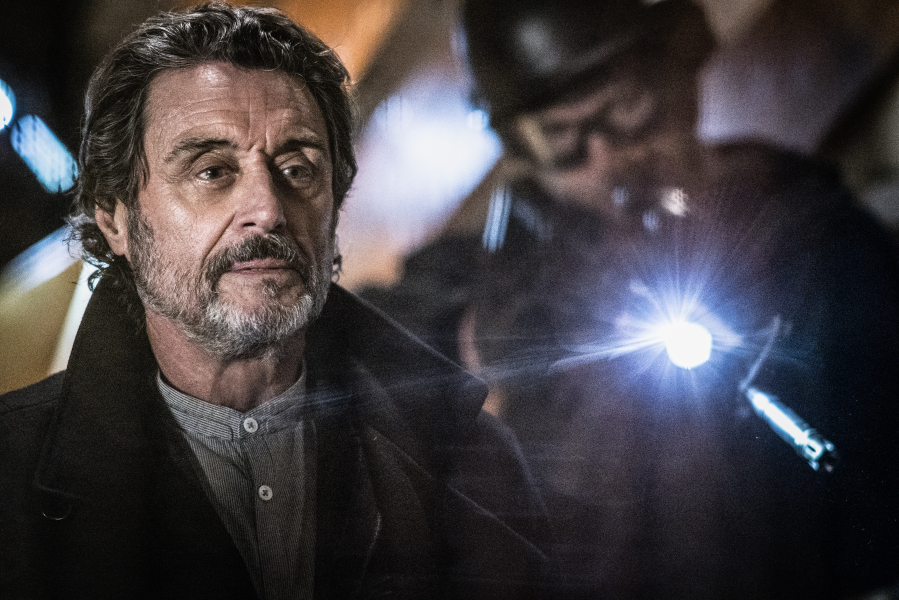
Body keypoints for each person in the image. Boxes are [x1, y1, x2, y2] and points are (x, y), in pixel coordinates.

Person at [0, 4, 553, 599]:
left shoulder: (472, 463)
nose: (267, 208)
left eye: (297, 168)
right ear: (116, 219)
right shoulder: (10, 475)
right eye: (212, 171)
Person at [362, 0, 899, 598]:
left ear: (679, 71)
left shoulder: (814, 237)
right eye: (561, 136)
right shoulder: (477, 274)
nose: (607, 157)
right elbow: (350, 365)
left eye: (625, 109)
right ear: (521, 145)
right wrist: (476, 338)